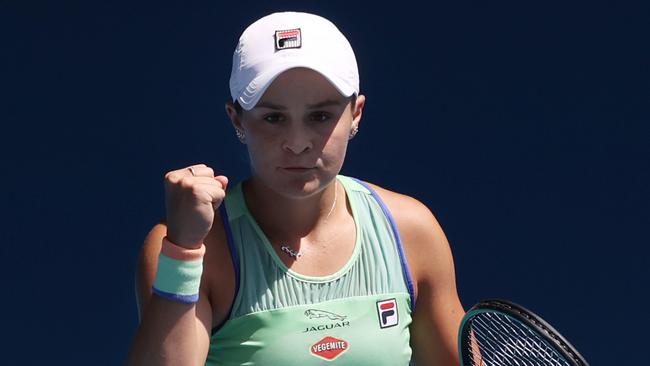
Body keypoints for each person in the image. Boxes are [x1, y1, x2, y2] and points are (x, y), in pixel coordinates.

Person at [126, 11, 465, 366]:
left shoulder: (413, 232)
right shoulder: (192, 247)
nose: (298, 142)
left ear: (357, 114)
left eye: (320, 116)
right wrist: (183, 251)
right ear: (237, 118)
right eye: (274, 118)